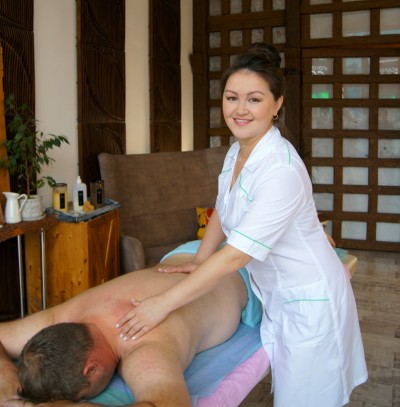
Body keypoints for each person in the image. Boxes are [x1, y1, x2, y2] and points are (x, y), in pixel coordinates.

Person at [115, 43, 368, 407]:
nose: (240, 109)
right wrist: (200, 258)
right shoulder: (237, 150)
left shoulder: (280, 169)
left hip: (311, 301)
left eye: (254, 99)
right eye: (232, 98)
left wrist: (163, 304)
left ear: (277, 105)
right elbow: (224, 207)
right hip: (279, 297)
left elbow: (236, 256)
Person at [0, 249, 255, 407]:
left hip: (248, 272)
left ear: (91, 369)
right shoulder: (66, 315)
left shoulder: (144, 348)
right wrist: (6, 372)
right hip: (190, 252)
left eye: (83, 395)